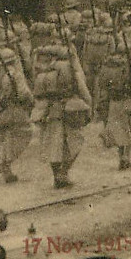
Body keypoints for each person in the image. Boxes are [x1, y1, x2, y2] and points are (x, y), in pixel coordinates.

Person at [32, 44, 91, 189]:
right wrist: (89, 108)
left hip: (50, 111)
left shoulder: (45, 72)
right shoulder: (72, 71)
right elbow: (84, 92)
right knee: (76, 141)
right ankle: (64, 173)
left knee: (55, 146)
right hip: (69, 110)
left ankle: (57, 176)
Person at [0, 47, 34, 183]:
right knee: (25, 133)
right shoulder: (15, 75)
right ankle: (5, 163)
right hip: (13, 111)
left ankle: (6, 168)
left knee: (3, 138)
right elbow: (24, 93)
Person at [94, 40, 131, 170]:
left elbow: (101, 87)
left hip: (114, 103)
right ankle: (127, 156)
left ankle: (121, 156)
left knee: (119, 132)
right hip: (130, 102)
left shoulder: (108, 66)